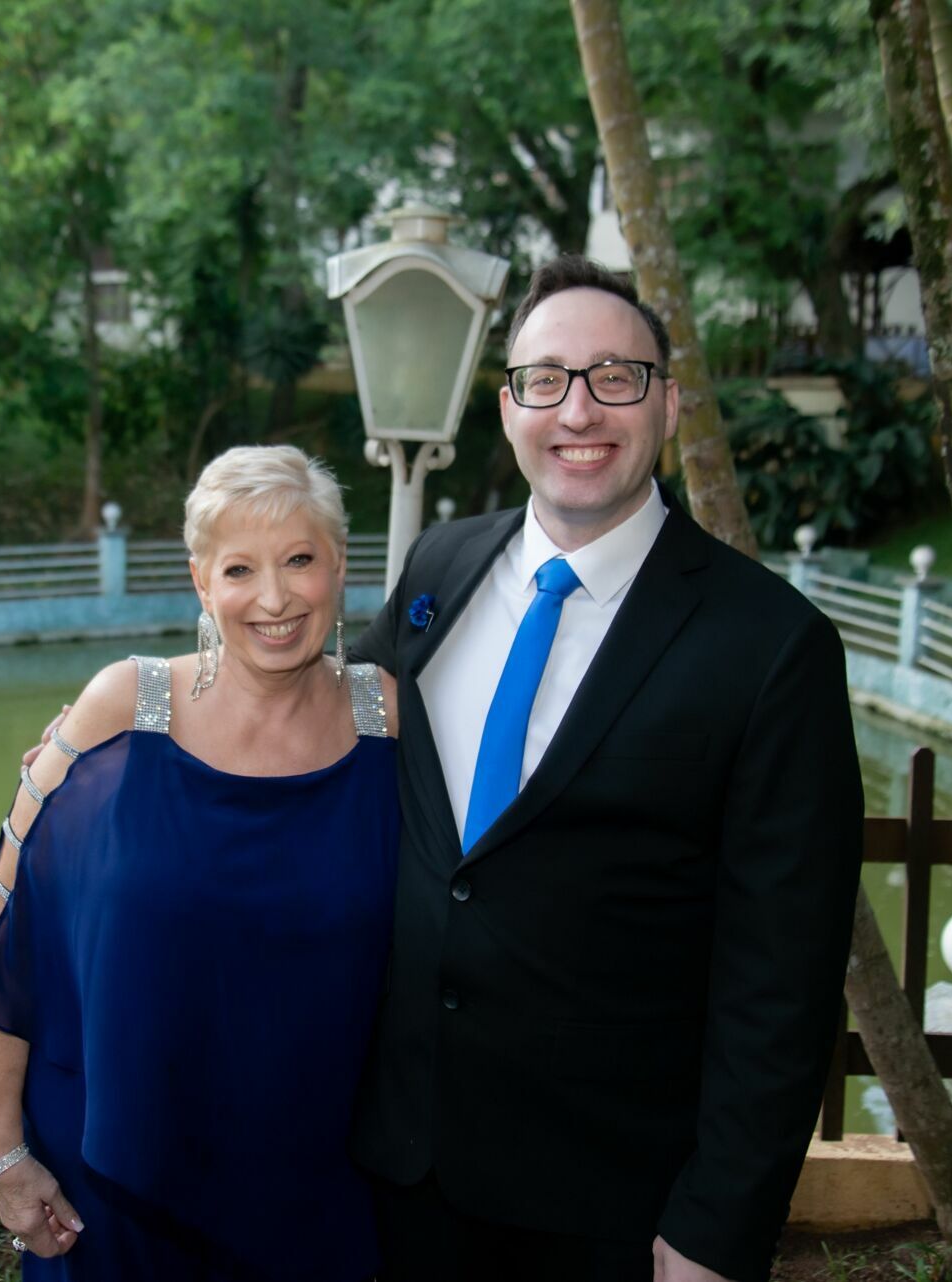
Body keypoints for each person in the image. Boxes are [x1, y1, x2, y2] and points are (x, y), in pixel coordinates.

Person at [347, 255, 864, 1282]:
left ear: (666, 403)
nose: (577, 408)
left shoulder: (773, 648)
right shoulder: (438, 570)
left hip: (611, 1208)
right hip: (396, 1175)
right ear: (508, 408)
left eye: (615, 376)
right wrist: (128, 709)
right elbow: (318, 722)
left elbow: (785, 981)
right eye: (546, 379)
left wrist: (718, 1225)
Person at [0, 445, 401, 1282]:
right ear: (201, 582)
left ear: (339, 566)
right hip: (116, 1195)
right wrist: (2, 1155)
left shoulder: (391, 722)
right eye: (240, 569)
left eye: (300, 559)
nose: (273, 598)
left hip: (322, 1196)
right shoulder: (122, 711)